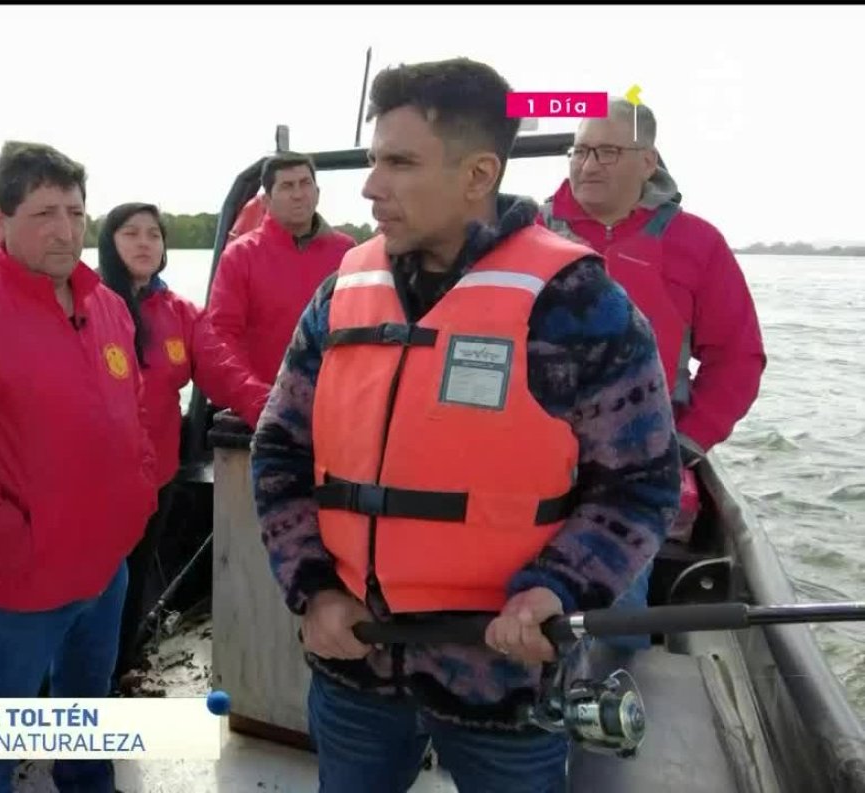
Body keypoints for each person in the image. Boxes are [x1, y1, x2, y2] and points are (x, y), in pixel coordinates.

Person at [249, 57, 682, 792]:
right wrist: (313, 589)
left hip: (503, 682)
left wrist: (556, 589)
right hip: (354, 667)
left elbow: (640, 484)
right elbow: (279, 452)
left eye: (399, 162)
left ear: (479, 174)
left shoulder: (578, 305)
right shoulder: (340, 294)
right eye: (373, 159)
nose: (370, 186)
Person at [0, 142, 158, 793]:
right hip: (20, 581)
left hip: (105, 565)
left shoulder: (106, 304)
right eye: (45, 213)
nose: (65, 231)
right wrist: (10, 547)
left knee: (88, 710)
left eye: (75, 213)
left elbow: (133, 410)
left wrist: (136, 501)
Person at [538, 99, 767, 646]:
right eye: (580, 151)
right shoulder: (528, 232)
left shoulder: (698, 243)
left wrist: (683, 444)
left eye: (607, 152)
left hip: (633, 468)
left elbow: (738, 357)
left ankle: (612, 688)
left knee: (616, 621)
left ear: (648, 161)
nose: (588, 165)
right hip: (528, 461)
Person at [95, 202, 269, 674]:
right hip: (94, 482)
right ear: (109, 243)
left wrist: (275, 411)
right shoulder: (84, 305)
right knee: (92, 589)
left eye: (154, 234)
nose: (144, 243)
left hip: (156, 478)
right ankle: (81, 683)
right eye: (131, 233)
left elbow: (223, 370)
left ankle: (118, 670)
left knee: (133, 580)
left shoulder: (181, 314)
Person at [206, 152, 356, 426]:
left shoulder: (348, 253)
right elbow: (221, 337)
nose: (298, 194)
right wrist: (259, 402)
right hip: (264, 414)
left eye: (305, 183)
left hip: (337, 412)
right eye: (287, 186)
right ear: (266, 200)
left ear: (317, 192)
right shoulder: (240, 256)